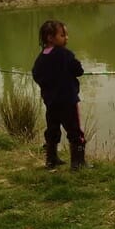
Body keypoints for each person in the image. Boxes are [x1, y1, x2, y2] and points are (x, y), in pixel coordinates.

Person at [31, 20, 87, 171]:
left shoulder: (41, 57)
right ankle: (78, 162)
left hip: (51, 103)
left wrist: (49, 85)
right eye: (62, 35)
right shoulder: (65, 54)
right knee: (75, 131)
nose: (66, 38)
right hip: (68, 101)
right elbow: (78, 70)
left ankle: (51, 160)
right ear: (50, 37)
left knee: (52, 130)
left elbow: (36, 75)